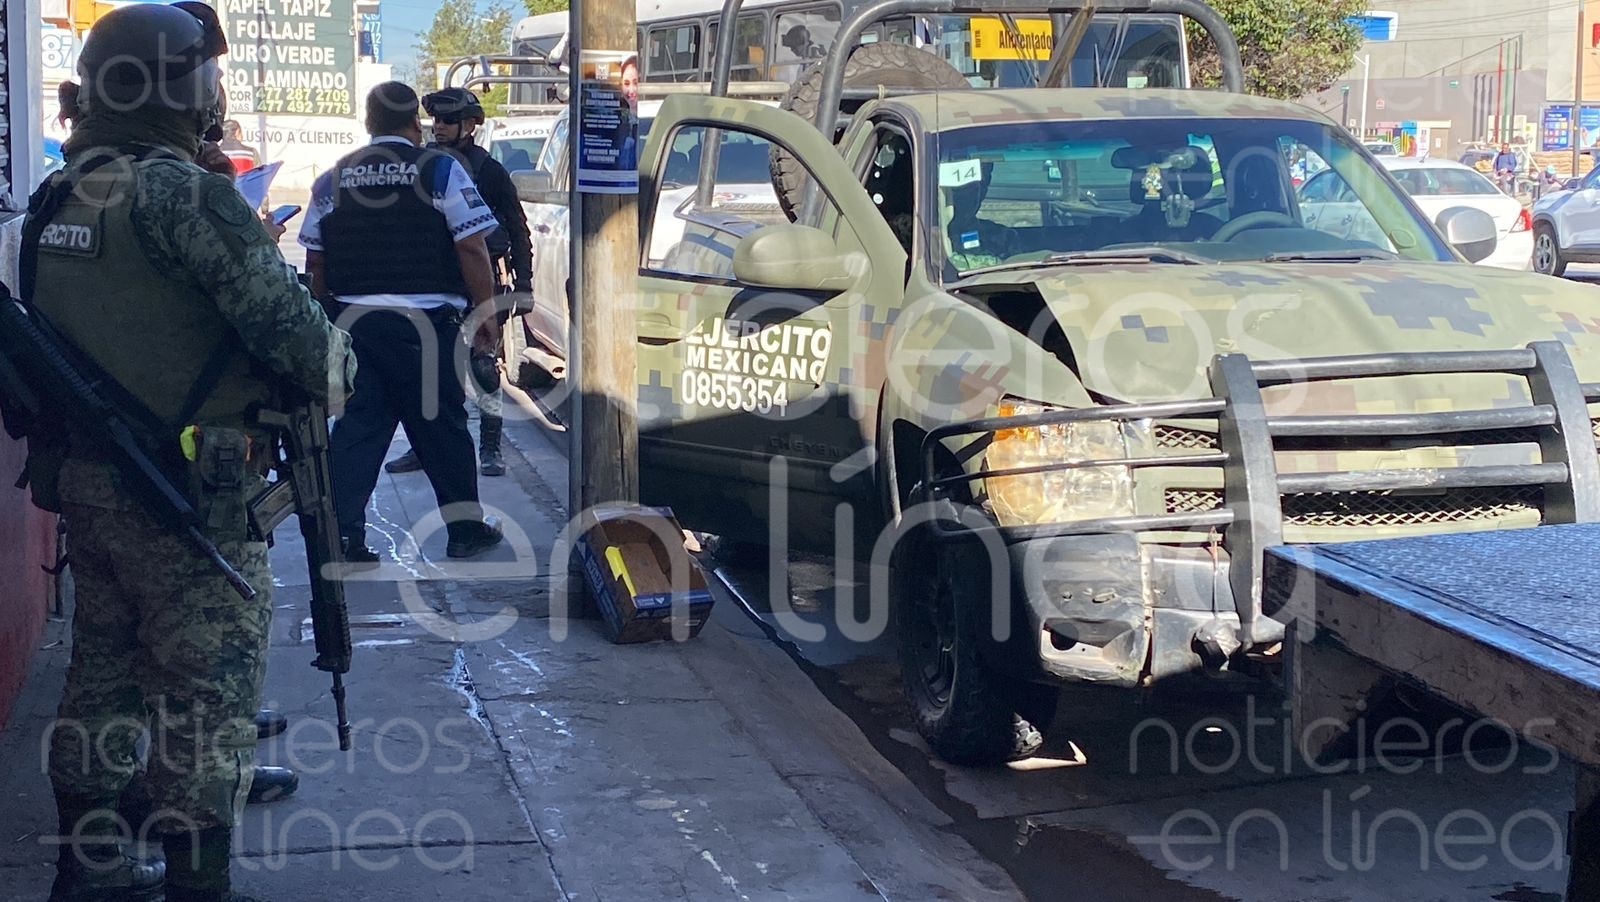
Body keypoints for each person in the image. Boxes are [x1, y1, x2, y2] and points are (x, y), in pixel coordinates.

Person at [31, 4, 355, 901]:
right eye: (208, 80)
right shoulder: (186, 196)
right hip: (191, 500)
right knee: (203, 705)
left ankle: (87, 872)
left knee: (99, 677)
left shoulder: (59, 195)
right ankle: (195, 886)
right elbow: (322, 362)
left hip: (92, 486)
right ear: (182, 91)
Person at [301, 82, 505, 564]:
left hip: (354, 326)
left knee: (357, 428)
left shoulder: (335, 177)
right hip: (425, 325)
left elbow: (316, 259)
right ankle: (464, 532)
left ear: (369, 123)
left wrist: (327, 315)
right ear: (414, 122)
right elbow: (472, 246)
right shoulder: (439, 169)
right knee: (441, 425)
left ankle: (345, 535)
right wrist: (486, 314)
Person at [381, 87, 534, 478]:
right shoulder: (423, 164)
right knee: (427, 370)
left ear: (469, 125)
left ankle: (491, 447)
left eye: (449, 121)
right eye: (436, 120)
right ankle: (422, 447)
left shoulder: (490, 170)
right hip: (434, 281)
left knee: (483, 368)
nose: (440, 127)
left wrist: (525, 284)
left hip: (479, 280)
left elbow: (517, 230)